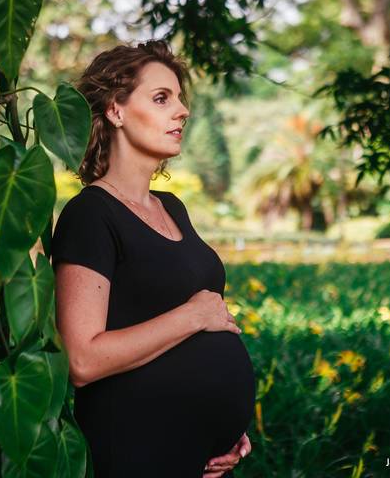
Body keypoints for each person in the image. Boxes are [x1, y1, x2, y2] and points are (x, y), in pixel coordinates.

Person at [51, 40, 256, 478]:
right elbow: (81, 361)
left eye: (180, 99)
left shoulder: (172, 207)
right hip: (137, 454)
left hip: (200, 460)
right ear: (116, 111)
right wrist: (195, 315)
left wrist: (227, 428)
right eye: (162, 98)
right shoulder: (91, 215)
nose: (182, 111)